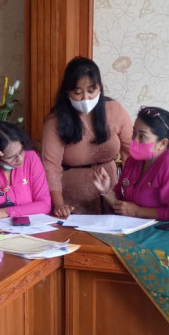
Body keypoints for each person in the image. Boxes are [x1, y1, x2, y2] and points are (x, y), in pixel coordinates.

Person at [41, 56, 133, 217]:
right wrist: (59, 205)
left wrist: (131, 194)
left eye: (91, 91)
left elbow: (132, 154)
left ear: (100, 88)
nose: (85, 99)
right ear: (67, 92)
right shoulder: (55, 121)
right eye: (78, 93)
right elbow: (51, 167)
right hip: (71, 201)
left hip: (111, 194)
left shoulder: (114, 109)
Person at [93, 107, 169, 223]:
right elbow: (123, 207)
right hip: (132, 228)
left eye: (142, 136)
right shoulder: (133, 161)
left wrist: (138, 212)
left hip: (168, 231)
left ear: (162, 143)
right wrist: (106, 190)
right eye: (134, 133)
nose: (134, 140)